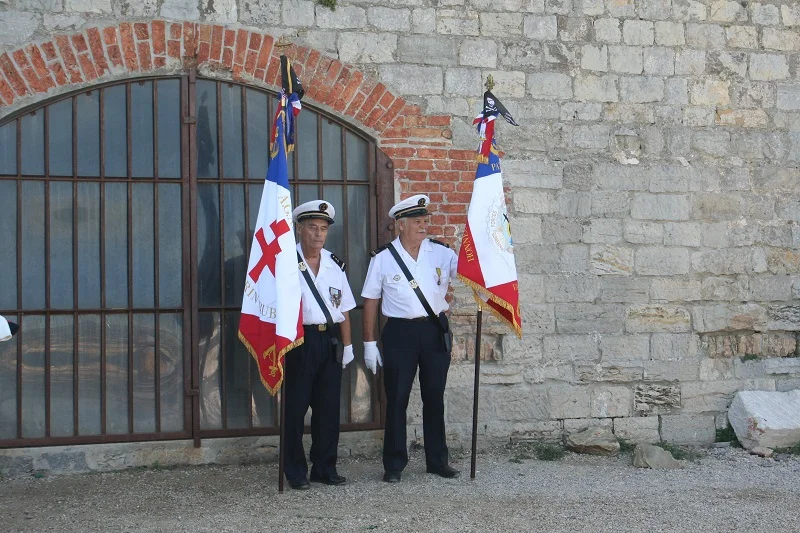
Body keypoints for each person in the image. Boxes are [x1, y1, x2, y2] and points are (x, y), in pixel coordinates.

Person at [361, 194, 460, 483]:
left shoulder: (441, 253)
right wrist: (369, 343)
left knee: (434, 398)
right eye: (417, 221)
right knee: (397, 399)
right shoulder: (383, 259)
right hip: (400, 333)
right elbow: (370, 300)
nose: (423, 226)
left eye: (424, 221)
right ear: (399, 225)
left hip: (433, 329)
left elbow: (467, 275)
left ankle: (437, 460)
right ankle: (394, 464)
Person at [284, 200, 356, 490]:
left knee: (328, 409)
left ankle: (324, 467)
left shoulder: (334, 265)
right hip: (299, 341)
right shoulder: (286, 263)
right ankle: (295, 471)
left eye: (323, 229)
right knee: (295, 409)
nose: (318, 235)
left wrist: (348, 346)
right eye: (312, 228)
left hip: (329, 340)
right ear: (299, 229)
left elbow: (345, 309)